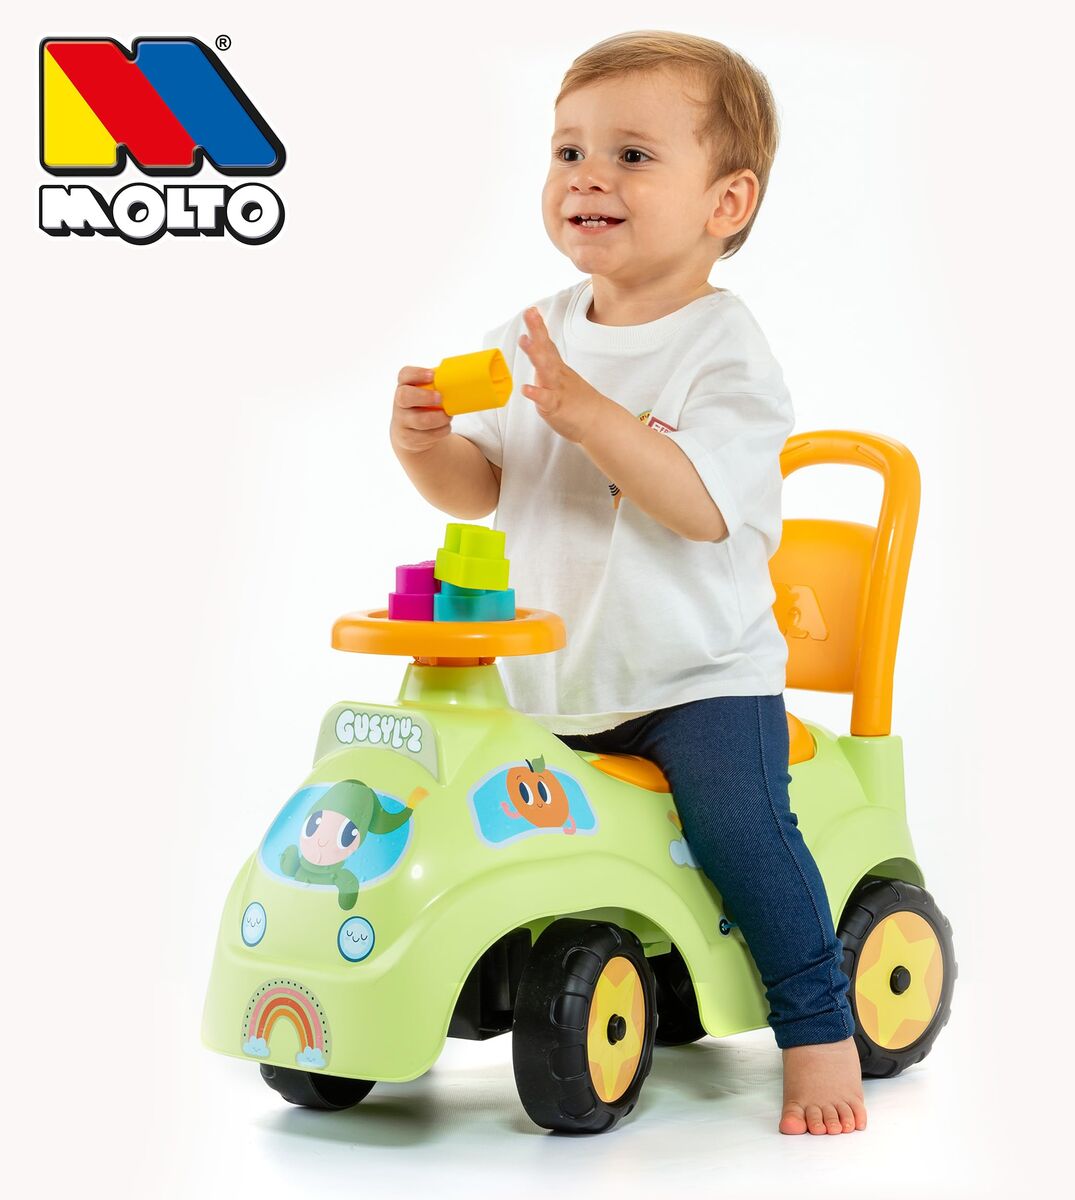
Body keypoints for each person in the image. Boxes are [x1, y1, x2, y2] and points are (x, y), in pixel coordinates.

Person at [390, 30, 866, 1137]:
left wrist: (588, 413)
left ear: (726, 202)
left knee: (743, 833)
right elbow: (480, 486)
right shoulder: (532, 336)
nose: (587, 177)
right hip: (553, 683)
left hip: (697, 681)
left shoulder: (724, 351)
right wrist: (424, 445)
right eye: (568, 151)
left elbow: (701, 504)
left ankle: (818, 1025)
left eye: (633, 155)